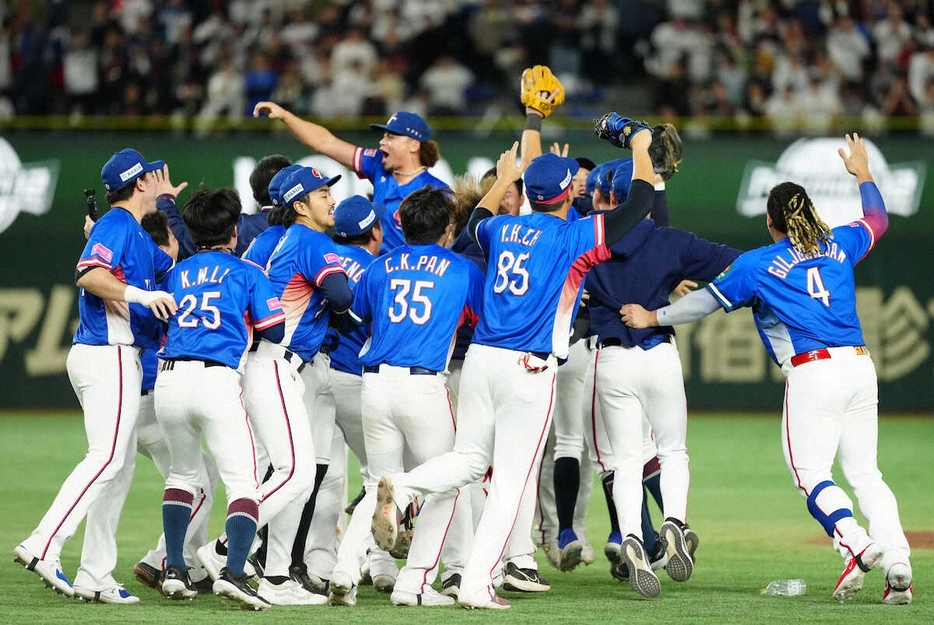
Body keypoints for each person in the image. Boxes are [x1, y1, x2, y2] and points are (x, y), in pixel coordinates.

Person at [374, 111, 656, 609]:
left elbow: (472, 226)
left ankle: (406, 486)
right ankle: (479, 584)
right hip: (528, 367)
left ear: (528, 193)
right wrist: (640, 143)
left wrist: (503, 178)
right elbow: (638, 205)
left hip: (481, 359)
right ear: (569, 194)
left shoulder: (503, 230)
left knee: (467, 462)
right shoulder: (572, 238)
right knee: (510, 483)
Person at [620, 133, 913, 606]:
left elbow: (701, 304)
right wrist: (862, 173)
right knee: (866, 473)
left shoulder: (760, 263)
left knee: (811, 473)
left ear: (770, 221)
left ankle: (858, 543)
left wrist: (653, 316)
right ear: (812, 212)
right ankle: (899, 563)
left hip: (814, 372)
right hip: (860, 367)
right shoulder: (840, 243)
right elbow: (877, 219)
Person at [14, 148, 177, 604]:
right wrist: (139, 297)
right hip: (109, 354)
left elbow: (170, 262)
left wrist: (166, 206)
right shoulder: (116, 225)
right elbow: (88, 274)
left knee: (118, 467)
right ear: (139, 182)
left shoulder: (129, 232)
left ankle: (95, 574)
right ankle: (44, 543)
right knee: (105, 459)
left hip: (106, 355)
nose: (153, 180)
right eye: (149, 177)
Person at [586, 156, 741, 598]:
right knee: (672, 451)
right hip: (659, 355)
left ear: (608, 198)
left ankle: (633, 536)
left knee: (626, 460)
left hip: (612, 360)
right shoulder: (670, 241)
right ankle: (674, 523)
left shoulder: (585, 241)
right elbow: (737, 265)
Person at [332, 187, 484, 608]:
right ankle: (415, 583)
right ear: (449, 228)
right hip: (423, 385)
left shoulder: (379, 268)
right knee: (448, 484)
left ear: (401, 224)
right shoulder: (462, 270)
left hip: (374, 384)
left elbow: (357, 318)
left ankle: (345, 570)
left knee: (376, 484)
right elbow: (480, 321)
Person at [155, 186, 284, 611]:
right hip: (216, 379)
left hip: (169, 380)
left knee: (182, 476)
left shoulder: (177, 272)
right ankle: (233, 572)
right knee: (243, 483)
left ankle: (174, 569)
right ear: (234, 231)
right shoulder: (247, 271)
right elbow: (274, 329)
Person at [132, 211, 219, 595]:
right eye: (172, 235)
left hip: (133, 398)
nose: (177, 242)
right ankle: (162, 560)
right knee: (196, 484)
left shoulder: (129, 275)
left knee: (200, 476)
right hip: (150, 398)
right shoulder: (161, 282)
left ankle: (191, 566)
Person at [252, 101, 448, 251]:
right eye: (384, 136)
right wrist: (286, 116)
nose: (382, 142)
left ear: (414, 145)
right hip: (374, 271)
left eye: (391, 137)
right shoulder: (378, 165)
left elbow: (447, 243)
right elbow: (325, 143)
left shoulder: (436, 192)